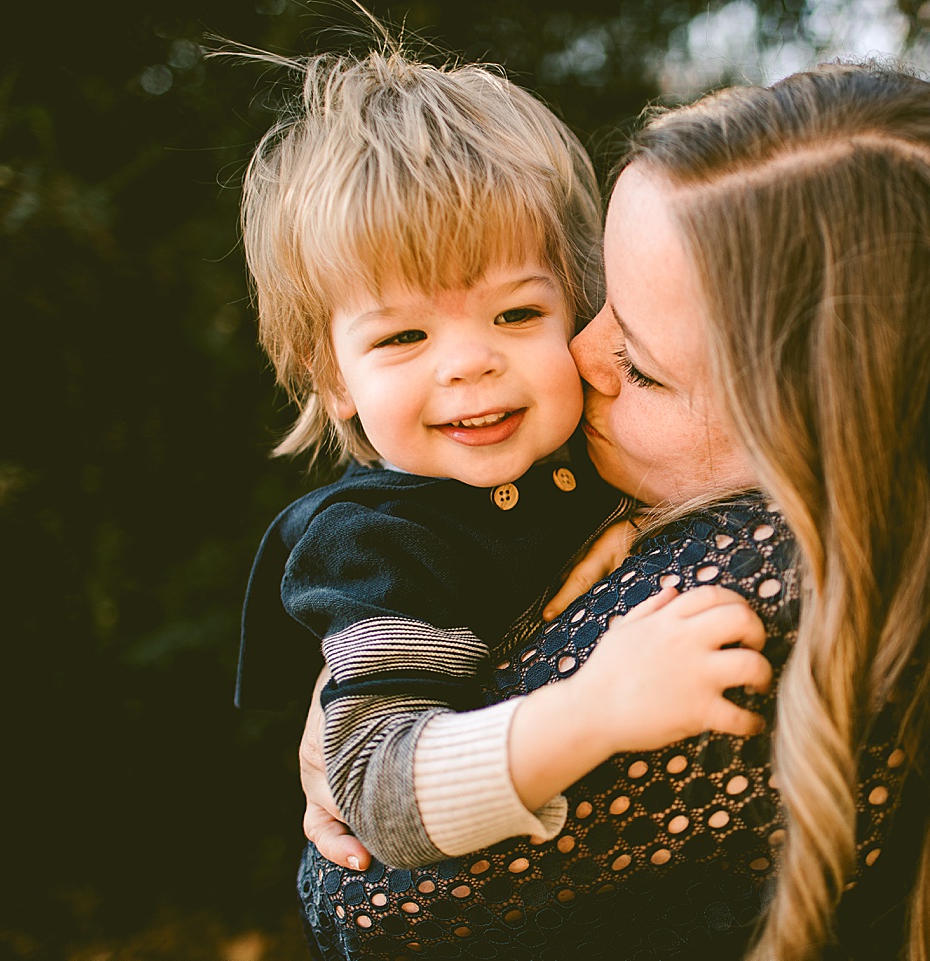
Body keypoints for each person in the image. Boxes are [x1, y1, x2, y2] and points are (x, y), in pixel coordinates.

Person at [298, 62, 930, 961]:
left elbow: (363, 895)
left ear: (837, 434)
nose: (580, 354)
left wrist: (393, 763)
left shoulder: (759, 598)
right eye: (600, 301)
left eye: (644, 363)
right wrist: (371, 688)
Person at [234, 48, 777, 890]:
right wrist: (593, 709)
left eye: (517, 312)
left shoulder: (600, 445)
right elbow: (384, 799)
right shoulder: (375, 549)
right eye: (404, 337)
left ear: (580, 305)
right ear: (334, 376)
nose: (468, 363)